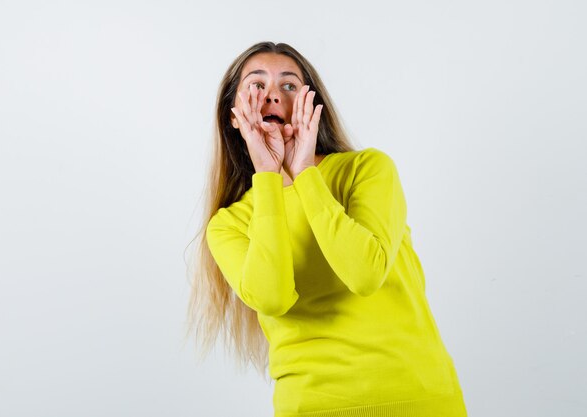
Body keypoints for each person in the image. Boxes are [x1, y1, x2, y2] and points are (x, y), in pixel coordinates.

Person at [185, 41, 468, 417]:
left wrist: (304, 174)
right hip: (313, 407)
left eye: (288, 86)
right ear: (234, 116)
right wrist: (269, 180)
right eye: (256, 85)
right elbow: (272, 298)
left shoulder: (367, 170)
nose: (272, 95)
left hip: (421, 399)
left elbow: (364, 274)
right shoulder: (229, 224)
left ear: (311, 106)